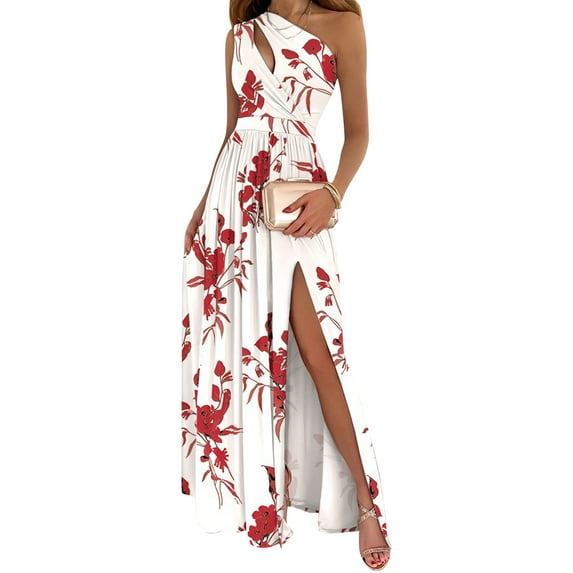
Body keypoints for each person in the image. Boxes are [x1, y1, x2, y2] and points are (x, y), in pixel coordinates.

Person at [181, 0, 391, 569]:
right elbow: (234, 131)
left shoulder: (342, 25)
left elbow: (359, 134)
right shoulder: (239, 35)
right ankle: (262, 497)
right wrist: (202, 208)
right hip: (233, 206)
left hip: (298, 200)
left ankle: (366, 503)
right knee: (245, 349)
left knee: (321, 351)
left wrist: (334, 194)